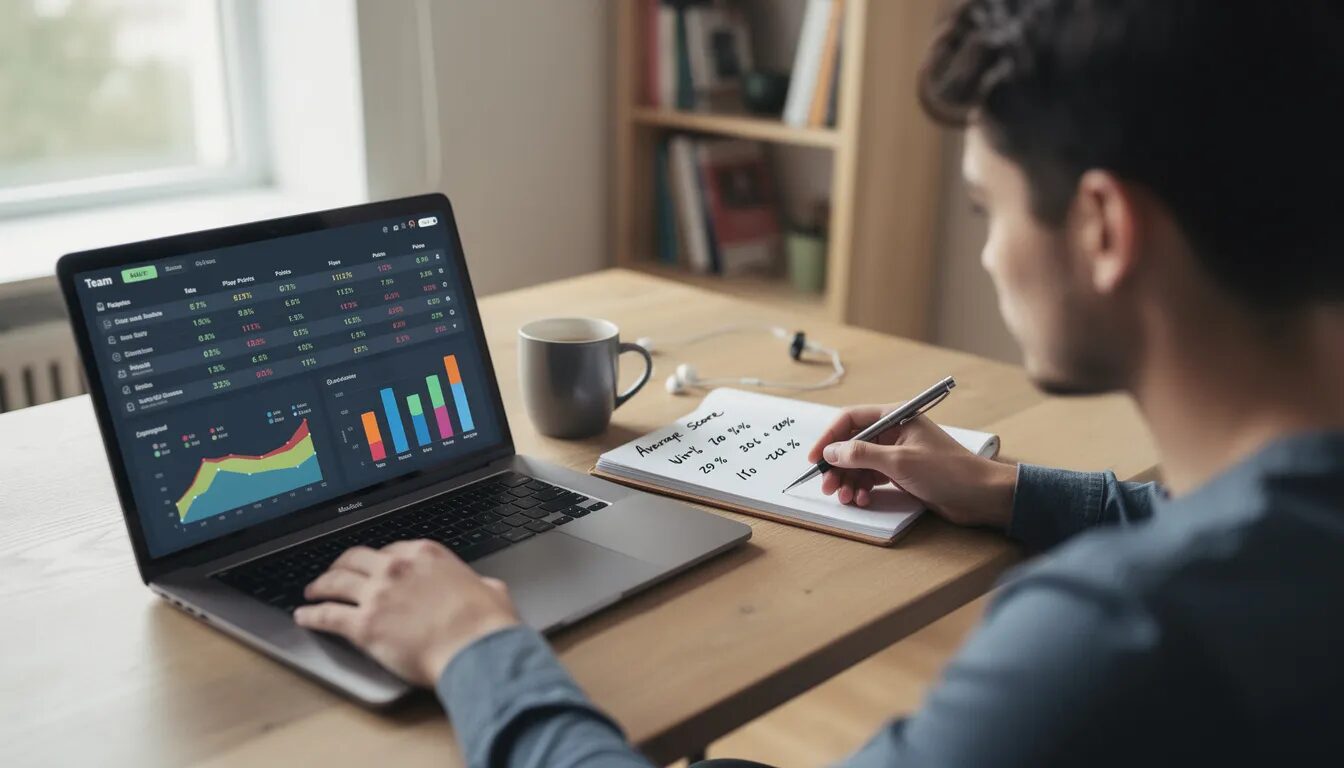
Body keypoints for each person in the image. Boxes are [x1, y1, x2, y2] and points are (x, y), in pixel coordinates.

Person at [293, 1, 1344, 765]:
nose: (984, 256)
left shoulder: (1111, 641)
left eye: (986, 210)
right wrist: (1005, 490)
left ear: (1105, 229)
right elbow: (1220, 525)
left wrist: (476, 646)